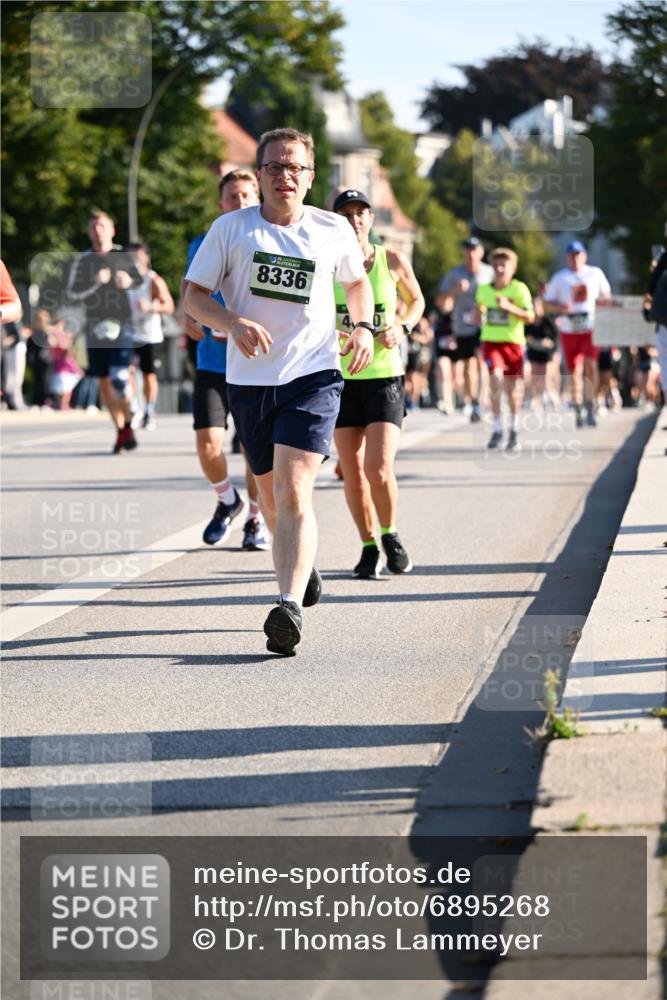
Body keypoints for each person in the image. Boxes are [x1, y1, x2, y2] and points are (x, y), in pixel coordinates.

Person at [184, 127, 375, 655]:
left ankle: (287, 606)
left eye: (295, 167)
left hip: (313, 375)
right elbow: (193, 297)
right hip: (248, 382)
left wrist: (362, 327)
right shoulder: (230, 228)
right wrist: (231, 321)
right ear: (261, 173)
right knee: (268, 496)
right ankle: (301, 566)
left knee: (293, 491)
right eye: (274, 166)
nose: (284, 175)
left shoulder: (332, 229)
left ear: (310, 177)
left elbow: (356, 283)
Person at [332, 188, 425, 578]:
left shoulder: (392, 260)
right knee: (351, 472)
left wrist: (401, 327)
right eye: (347, 213)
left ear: (371, 219)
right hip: (341, 378)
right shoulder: (327, 263)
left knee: (379, 468)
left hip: (385, 376)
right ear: (336, 219)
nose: (355, 220)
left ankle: (390, 534)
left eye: (361, 213)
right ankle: (368, 545)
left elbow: (417, 301)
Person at [182, 168, 269, 553]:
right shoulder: (203, 242)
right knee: (207, 445)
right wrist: (187, 315)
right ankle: (226, 499)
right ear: (221, 204)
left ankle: (255, 517)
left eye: (247, 196)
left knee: (253, 448)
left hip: (255, 364)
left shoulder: (270, 241)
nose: (240, 203)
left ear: (258, 198)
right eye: (233, 197)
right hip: (214, 362)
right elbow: (190, 289)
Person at [67, 211, 143, 453]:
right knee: (102, 381)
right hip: (94, 327)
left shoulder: (123, 257)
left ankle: (129, 421)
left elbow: (141, 284)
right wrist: (95, 283)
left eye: (101, 225)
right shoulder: (84, 260)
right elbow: (73, 293)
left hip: (122, 326)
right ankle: (121, 429)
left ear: (112, 230)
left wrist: (127, 283)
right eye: (92, 227)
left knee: (119, 378)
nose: (97, 230)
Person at [543, 241, 612, 428]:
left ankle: (591, 404)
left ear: (584, 256)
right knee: (574, 370)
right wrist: (559, 308)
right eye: (571, 255)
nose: (575, 258)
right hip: (569, 328)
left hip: (590, 327)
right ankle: (578, 406)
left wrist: (605, 304)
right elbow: (546, 303)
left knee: (591, 364)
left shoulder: (595, 273)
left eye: (578, 254)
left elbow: (607, 295)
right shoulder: (560, 278)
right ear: (567, 258)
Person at [475, 247, 534, 452]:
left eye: (504, 265)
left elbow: (530, 317)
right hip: (491, 343)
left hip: (514, 343)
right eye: (496, 265)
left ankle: (514, 427)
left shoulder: (519, 289)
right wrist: (477, 315)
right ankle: (498, 427)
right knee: (495, 380)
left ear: (513, 268)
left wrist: (509, 308)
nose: (499, 269)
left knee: (512, 390)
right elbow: (478, 312)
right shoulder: (483, 290)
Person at [435, 237, 493, 421]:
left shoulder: (489, 273)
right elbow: (440, 302)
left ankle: (482, 401)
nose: (471, 253)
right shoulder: (454, 274)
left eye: (475, 249)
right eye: (468, 249)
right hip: (462, 326)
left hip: (486, 326)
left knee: (481, 362)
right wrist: (454, 291)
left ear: (481, 252)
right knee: (468, 367)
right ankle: (472, 401)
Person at [127, 242, 174, 430]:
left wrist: (151, 307)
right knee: (126, 371)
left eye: (137, 256)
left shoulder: (153, 280)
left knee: (148, 376)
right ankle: (134, 408)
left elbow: (168, 305)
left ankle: (148, 410)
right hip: (128, 334)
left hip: (150, 335)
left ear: (146, 257)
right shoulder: (124, 279)